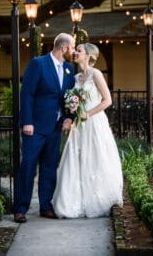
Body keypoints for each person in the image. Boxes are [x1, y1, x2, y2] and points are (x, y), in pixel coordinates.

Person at [52, 43, 123, 218]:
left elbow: (107, 101)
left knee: (95, 158)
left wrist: (87, 114)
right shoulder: (75, 78)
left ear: (89, 56)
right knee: (75, 159)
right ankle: (73, 202)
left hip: (95, 123)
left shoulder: (96, 74)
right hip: (79, 126)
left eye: (79, 51)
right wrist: (72, 116)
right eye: (75, 50)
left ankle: (97, 199)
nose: (75, 53)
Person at [13, 33, 75, 223]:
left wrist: (69, 117)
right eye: (72, 48)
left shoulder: (68, 69)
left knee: (49, 168)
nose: (73, 51)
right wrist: (27, 122)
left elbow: (71, 97)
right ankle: (20, 209)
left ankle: (45, 206)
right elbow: (27, 94)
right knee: (28, 168)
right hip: (35, 127)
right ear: (63, 48)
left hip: (55, 128)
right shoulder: (38, 64)